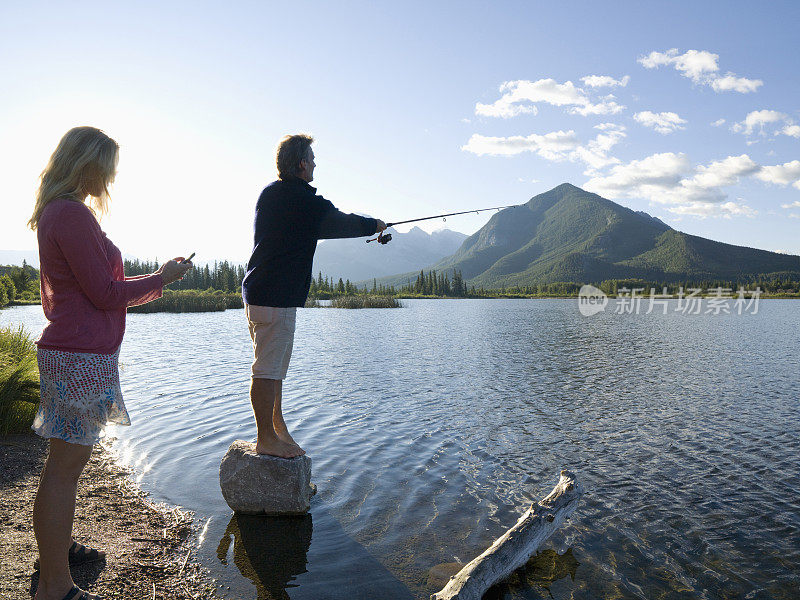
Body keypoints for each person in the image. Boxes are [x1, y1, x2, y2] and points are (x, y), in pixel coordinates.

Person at [27, 126, 192, 600]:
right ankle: (56, 585)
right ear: (89, 165)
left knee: (64, 464)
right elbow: (104, 293)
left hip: (76, 355)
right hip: (79, 358)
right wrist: (162, 279)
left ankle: (54, 556)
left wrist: (160, 277)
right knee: (64, 467)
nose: (113, 177)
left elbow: (97, 287)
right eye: (109, 167)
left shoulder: (58, 212)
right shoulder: (71, 215)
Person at [241, 134, 386, 458]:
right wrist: (374, 224)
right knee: (266, 369)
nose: (316, 163)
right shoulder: (302, 201)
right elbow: (340, 223)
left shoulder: (273, 194)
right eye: (312, 157)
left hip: (261, 293)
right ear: (302, 163)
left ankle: (278, 429)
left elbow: (323, 222)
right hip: (275, 297)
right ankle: (266, 438)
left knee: (273, 368)